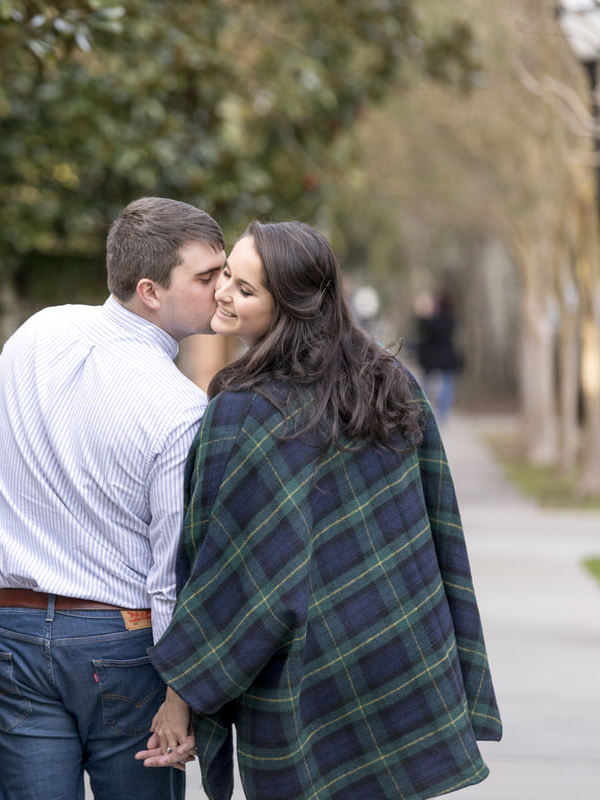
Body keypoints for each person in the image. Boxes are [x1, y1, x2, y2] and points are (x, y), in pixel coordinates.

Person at [143, 221, 502, 799]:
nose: (224, 294)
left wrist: (179, 697)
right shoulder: (392, 383)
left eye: (246, 289)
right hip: (397, 657)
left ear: (293, 308)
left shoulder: (243, 411)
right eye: (227, 275)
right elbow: (442, 538)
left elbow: (228, 576)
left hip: (300, 682)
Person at [0, 197, 225, 800]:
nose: (223, 290)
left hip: (13, 626)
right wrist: (179, 694)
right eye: (206, 277)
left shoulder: (33, 335)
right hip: (121, 642)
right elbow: (170, 569)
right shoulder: (180, 409)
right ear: (150, 290)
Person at [415, 290, 462, 423]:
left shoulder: (432, 321)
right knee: (447, 385)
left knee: (425, 385)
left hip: (431, 358)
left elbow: (423, 331)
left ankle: (423, 412)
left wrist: (422, 313)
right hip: (447, 357)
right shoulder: (452, 321)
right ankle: (443, 416)